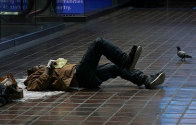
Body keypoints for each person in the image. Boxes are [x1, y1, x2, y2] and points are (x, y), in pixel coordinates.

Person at [24, 37, 165, 91]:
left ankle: (146, 80)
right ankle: (125, 60)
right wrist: (47, 68)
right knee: (99, 43)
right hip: (78, 76)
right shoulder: (32, 79)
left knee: (114, 68)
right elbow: (39, 85)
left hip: (87, 78)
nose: (37, 66)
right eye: (35, 67)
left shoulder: (47, 69)